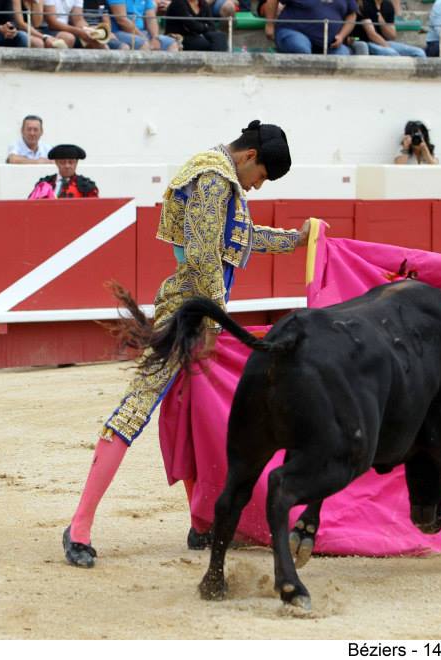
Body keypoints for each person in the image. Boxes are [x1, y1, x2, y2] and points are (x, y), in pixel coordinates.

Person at [62, 121, 314, 568]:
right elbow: (200, 256)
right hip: (185, 318)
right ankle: (79, 526)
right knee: (138, 407)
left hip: (201, 316)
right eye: (261, 178)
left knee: (200, 417)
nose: (256, 188)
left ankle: (202, 524)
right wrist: (218, 318)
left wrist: (291, 242)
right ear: (250, 156)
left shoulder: (220, 176)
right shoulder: (215, 176)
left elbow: (238, 238)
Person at [269, 0, 358, 55]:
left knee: (343, 56)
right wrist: (269, 25)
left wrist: (341, 35)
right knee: (301, 48)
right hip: (293, 31)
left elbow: (352, 14)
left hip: (330, 44)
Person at [352, 0, 427, 56]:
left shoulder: (388, 5)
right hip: (365, 41)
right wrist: (387, 47)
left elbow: (392, 35)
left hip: (384, 42)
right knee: (392, 54)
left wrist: (380, 18)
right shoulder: (364, 4)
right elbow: (371, 35)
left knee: (419, 53)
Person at [27, 144, 100, 198]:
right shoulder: (44, 184)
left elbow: (93, 209)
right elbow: (31, 205)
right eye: (63, 162)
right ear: (56, 163)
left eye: (71, 162)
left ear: (76, 163)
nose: (67, 166)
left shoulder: (86, 186)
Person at [108, 0, 181, 50]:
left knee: (171, 43)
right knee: (143, 44)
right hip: (119, 32)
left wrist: (155, 37)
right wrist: (143, 38)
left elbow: (151, 18)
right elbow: (122, 21)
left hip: (141, 32)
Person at [165, 0, 229, 51]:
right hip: (180, 37)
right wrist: (205, 26)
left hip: (198, 35)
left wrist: (201, 27)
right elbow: (192, 25)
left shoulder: (203, 4)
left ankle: (218, 64)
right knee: (207, 43)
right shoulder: (178, 2)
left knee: (220, 36)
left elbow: (212, 26)